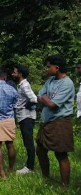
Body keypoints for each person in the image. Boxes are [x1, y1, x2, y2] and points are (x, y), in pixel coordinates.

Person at [36, 55, 75, 187]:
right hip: (46, 122)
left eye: (48, 66)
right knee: (40, 150)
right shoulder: (50, 80)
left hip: (60, 122)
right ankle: (45, 177)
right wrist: (45, 98)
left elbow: (53, 104)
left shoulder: (67, 83)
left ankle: (64, 185)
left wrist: (46, 99)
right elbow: (39, 95)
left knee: (61, 154)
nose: (47, 69)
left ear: (56, 68)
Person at [11, 65, 38, 174]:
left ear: (20, 74)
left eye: (15, 72)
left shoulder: (25, 85)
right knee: (27, 142)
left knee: (29, 142)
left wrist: (27, 109)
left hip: (26, 117)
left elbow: (34, 99)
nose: (13, 74)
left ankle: (30, 167)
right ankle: (29, 165)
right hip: (23, 117)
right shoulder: (21, 85)